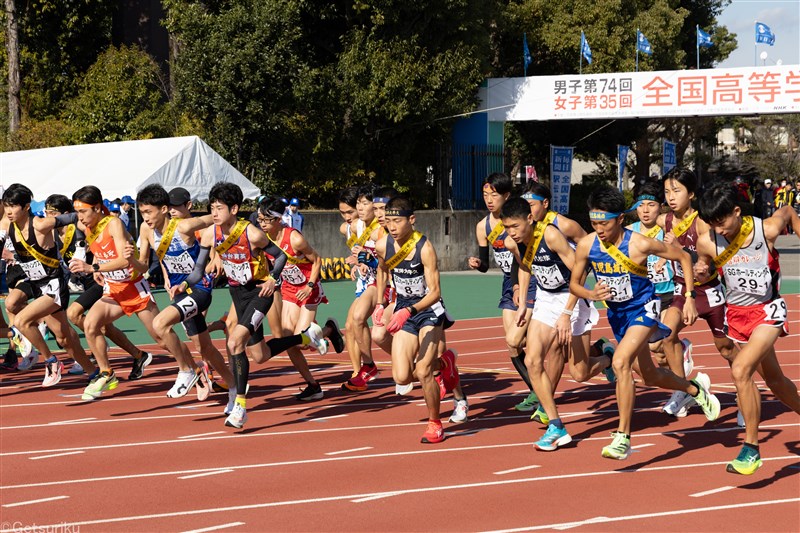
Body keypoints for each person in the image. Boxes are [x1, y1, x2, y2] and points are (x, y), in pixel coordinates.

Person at [570, 186, 720, 460]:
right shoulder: (587, 245)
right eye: (594, 223)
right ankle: (694, 389)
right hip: (618, 315)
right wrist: (591, 294)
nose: (599, 229)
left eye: (604, 223)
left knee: (620, 363)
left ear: (620, 220)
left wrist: (688, 296)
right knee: (649, 376)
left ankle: (622, 437)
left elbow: (684, 257)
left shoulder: (639, 243)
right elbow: (574, 284)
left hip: (645, 308)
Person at [197, 182, 335, 428]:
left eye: (218, 208)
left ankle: (239, 406)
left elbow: (286, 256)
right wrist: (188, 284)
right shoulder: (212, 233)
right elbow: (199, 267)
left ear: (234, 208)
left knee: (234, 341)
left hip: (265, 292)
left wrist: (277, 280)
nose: (213, 212)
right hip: (240, 293)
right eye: (211, 208)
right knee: (260, 355)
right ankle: (306, 338)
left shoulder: (260, 234)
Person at [694, 182, 800, 475]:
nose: (719, 230)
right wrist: (701, 272)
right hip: (738, 316)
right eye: (712, 224)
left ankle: (751, 449)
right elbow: (704, 267)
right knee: (777, 383)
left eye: (723, 222)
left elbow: (789, 210)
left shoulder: (765, 230)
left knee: (740, 370)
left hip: (768, 311)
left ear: (737, 211)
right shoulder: (708, 242)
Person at [67, 185, 202, 401]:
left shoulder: (113, 223)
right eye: (77, 212)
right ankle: (106, 372)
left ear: (97, 208)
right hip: (112, 290)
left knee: (161, 339)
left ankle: (194, 368)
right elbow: (101, 253)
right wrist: (96, 266)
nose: (80, 217)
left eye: (83, 211)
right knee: (91, 324)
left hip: (133, 288)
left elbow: (123, 259)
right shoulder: (87, 228)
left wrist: (92, 268)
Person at [136, 184, 236, 408]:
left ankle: (187, 369)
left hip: (200, 289)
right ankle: (235, 388)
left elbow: (217, 218)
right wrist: (130, 261)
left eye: (149, 212)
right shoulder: (145, 230)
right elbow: (142, 265)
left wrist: (220, 251)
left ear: (163, 209)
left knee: (159, 324)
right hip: (180, 291)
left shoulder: (185, 226)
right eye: (142, 212)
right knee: (205, 348)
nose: (146, 218)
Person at [374, 196, 459, 443]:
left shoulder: (424, 248)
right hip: (403, 308)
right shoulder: (383, 245)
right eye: (388, 221)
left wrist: (408, 311)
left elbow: (435, 293)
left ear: (411, 220)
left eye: (397, 221)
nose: (392, 226)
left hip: (428, 311)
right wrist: (381, 303)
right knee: (401, 377)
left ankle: (435, 423)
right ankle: (446, 364)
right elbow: (382, 269)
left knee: (422, 371)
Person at [45, 194, 152, 380]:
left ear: (64, 214)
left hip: (100, 278)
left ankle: (101, 353)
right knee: (101, 326)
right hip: (88, 278)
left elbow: (104, 245)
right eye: (46, 211)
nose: (47, 216)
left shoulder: (83, 224)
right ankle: (135, 354)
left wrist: (90, 261)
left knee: (75, 314)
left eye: (52, 213)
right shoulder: (56, 234)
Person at [658, 168, 737, 417]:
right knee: (665, 337)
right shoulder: (664, 220)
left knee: (726, 348)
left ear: (690, 194)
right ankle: (683, 388)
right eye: (667, 192)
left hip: (709, 292)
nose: (671, 197)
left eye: (677, 191)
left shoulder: (702, 222)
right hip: (682, 290)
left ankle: (745, 392)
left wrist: (681, 250)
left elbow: (707, 265)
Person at [256, 196, 344, 401]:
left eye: (266, 220)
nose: (262, 224)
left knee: (303, 343)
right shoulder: (263, 238)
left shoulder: (294, 238)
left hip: (308, 290)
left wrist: (310, 285)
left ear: (278, 219)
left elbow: (317, 260)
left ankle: (329, 329)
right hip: (288, 290)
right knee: (289, 342)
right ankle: (313, 385)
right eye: (260, 220)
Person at [0, 184, 89, 387]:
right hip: (34, 282)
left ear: (26, 206)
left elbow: (76, 217)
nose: (9, 211)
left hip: (53, 284)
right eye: (6, 206)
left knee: (57, 334)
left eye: (13, 206)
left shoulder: (40, 224)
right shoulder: (8, 225)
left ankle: (51, 361)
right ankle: (94, 372)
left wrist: (82, 243)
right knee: (13, 305)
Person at [466, 173, 538, 412]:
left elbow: (522, 256)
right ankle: (536, 389)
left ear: (506, 196)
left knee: (529, 339)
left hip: (528, 281)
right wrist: (478, 264)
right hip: (508, 283)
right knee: (513, 343)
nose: (489, 199)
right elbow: (487, 264)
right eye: (485, 195)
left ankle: (594, 351)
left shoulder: (517, 221)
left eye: (494, 195)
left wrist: (519, 285)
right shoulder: (483, 226)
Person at [341, 184, 381, 391]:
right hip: (367, 282)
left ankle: (368, 366)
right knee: (350, 325)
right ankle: (360, 371)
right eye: (359, 203)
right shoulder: (356, 227)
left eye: (365, 204)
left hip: (383, 282)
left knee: (377, 331)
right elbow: (363, 254)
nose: (360, 208)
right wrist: (357, 264)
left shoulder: (379, 229)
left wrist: (367, 261)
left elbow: (384, 259)